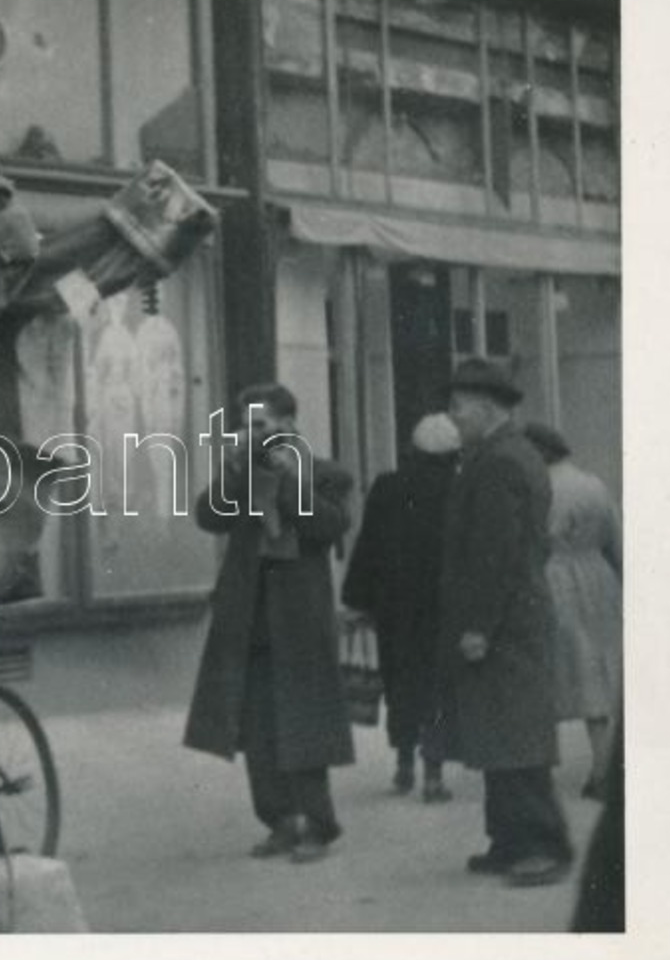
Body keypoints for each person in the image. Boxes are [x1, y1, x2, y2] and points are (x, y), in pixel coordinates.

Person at [184, 382, 356, 863]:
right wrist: (238, 469)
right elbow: (207, 516)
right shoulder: (240, 470)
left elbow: (329, 527)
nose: (251, 433)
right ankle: (279, 819)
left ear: (288, 423)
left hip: (298, 616)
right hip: (249, 615)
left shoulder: (325, 474)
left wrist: (291, 481)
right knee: (257, 726)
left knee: (303, 720)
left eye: (260, 424)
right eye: (245, 424)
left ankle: (318, 824)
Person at [442, 358, 573, 887]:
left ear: (487, 407)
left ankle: (542, 846)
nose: (451, 418)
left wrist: (479, 625)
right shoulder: (506, 453)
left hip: (505, 624)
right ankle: (510, 841)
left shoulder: (498, 461)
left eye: (457, 408)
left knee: (516, 738)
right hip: (514, 618)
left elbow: (496, 553)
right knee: (500, 734)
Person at [342, 412, 462, 803]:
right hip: (442, 605)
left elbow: (369, 544)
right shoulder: (459, 489)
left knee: (400, 682)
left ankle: (404, 764)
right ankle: (434, 772)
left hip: (394, 605)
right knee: (437, 685)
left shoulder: (387, 486)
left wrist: (357, 598)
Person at [523, 422, 623, 800]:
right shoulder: (593, 485)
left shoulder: (537, 487)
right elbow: (616, 538)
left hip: (553, 578)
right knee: (594, 673)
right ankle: (601, 767)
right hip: (597, 579)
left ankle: (539, 771)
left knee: (550, 674)